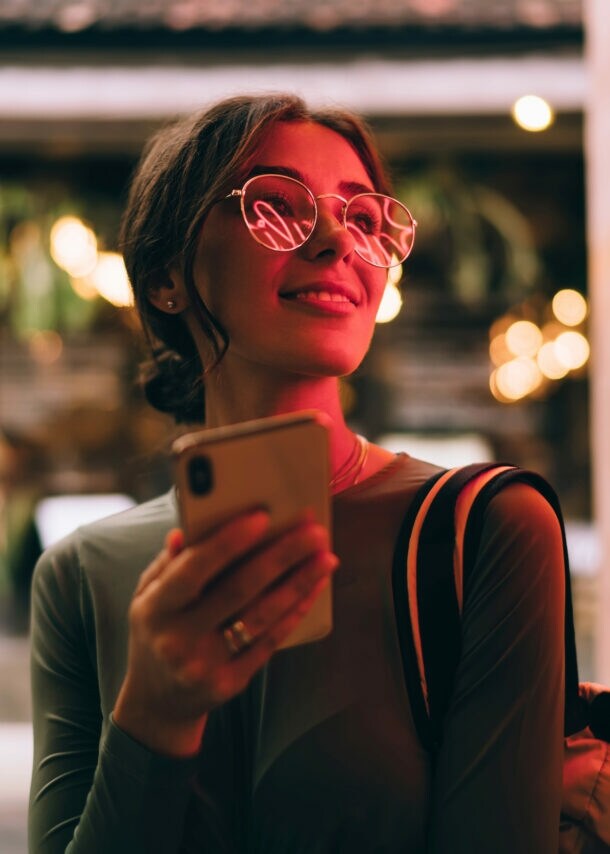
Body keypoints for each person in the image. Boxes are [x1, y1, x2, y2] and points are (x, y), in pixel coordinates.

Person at [28, 93, 565, 853]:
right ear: (164, 277)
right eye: (275, 207)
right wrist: (153, 714)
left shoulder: (482, 531)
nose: (336, 241)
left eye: (365, 218)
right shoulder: (80, 575)